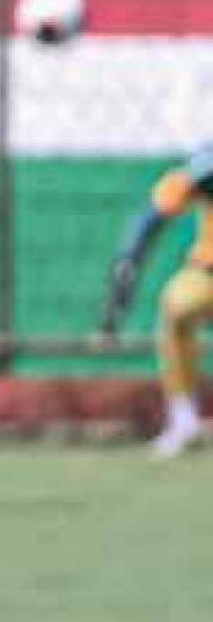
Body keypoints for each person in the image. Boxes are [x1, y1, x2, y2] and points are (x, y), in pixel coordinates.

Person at [102, 144, 213, 458]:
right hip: (207, 273)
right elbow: (151, 218)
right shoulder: (202, 171)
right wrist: (127, 264)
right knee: (177, 305)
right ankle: (184, 419)